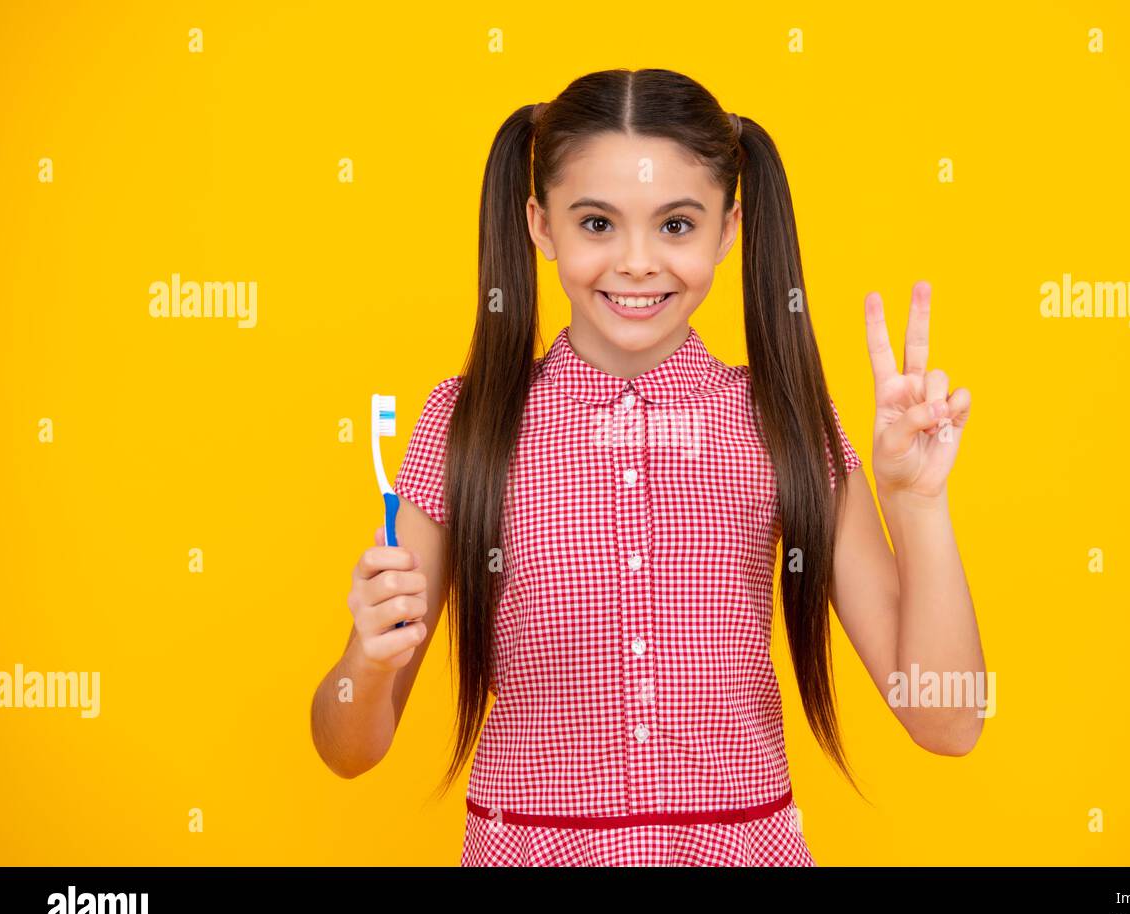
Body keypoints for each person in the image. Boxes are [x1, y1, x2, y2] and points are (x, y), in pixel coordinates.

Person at [311, 67, 981, 866]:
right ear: (540, 225)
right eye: (596, 223)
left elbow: (949, 723)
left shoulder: (785, 423)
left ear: (728, 231)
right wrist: (367, 658)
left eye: (675, 225)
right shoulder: (467, 425)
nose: (635, 262)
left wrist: (918, 504)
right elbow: (346, 748)